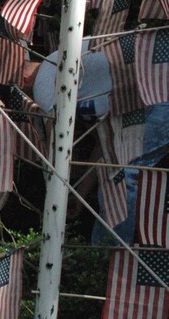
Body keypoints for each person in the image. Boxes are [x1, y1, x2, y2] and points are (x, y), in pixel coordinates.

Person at [24, 45, 169, 242]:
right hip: (150, 96)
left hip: (159, 93)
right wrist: (79, 193)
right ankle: (107, 254)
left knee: (123, 176)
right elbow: (107, 145)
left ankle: (106, 258)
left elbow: (56, 141)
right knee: (117, 171)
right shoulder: (68, 66)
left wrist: (55, 196)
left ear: (23, 80)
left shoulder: (43, 80)